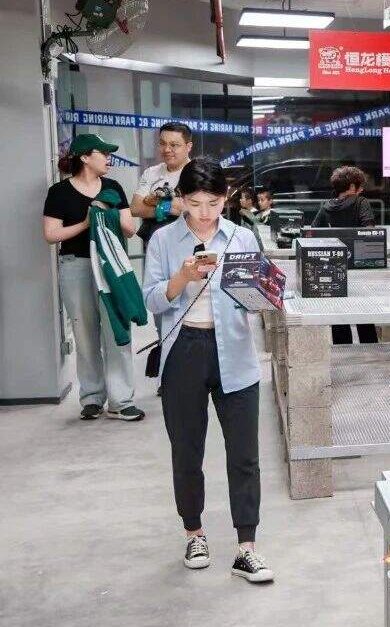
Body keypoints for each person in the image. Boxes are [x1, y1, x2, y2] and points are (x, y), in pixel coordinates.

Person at [142, 157, 273, 583]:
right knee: (187, 451)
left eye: (213, 203)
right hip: (184, 351)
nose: (204, 212)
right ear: (181, 198)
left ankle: (247, 548)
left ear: (226, 198)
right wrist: (182, 278)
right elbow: (151, 300)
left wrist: (264, 292)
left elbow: (256, 302)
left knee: (245, 455)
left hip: (235, 351)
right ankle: (194, 534)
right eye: (195, 203)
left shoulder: (241, 236)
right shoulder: (163, 240)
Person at [42, 134, 144, 422]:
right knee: (85, 334)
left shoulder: (113, 188)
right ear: (85, 157)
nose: (109, 158)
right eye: (104, 153)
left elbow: (130, 229)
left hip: (110, 265)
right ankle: (92, 398)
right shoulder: (59, 192)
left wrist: (109, 213)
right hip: (76, 266)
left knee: (117, 328)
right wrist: (87, 222)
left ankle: (121, 400)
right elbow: (51, 234)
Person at [312, 167, 378, 345]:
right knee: (365, 316)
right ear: (351, 186)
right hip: (359, 269)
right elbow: (370, 232)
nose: (361, 189)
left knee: (338, 316)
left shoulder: (326, 207)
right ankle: (369, 351)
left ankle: (343, 352)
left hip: (332, 269)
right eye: (359, 185)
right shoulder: (361, 203)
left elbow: (312, 233)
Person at [131, 121, 193, 248]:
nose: (167, 149)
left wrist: (156, 200)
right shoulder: (151, 172)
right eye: (162, 143)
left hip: (188, 243)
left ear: (188, 147)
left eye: (174, 145)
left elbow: (194, 210)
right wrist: (173, 206)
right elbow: (136, 208)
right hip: (154, 244)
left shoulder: (198, 172)